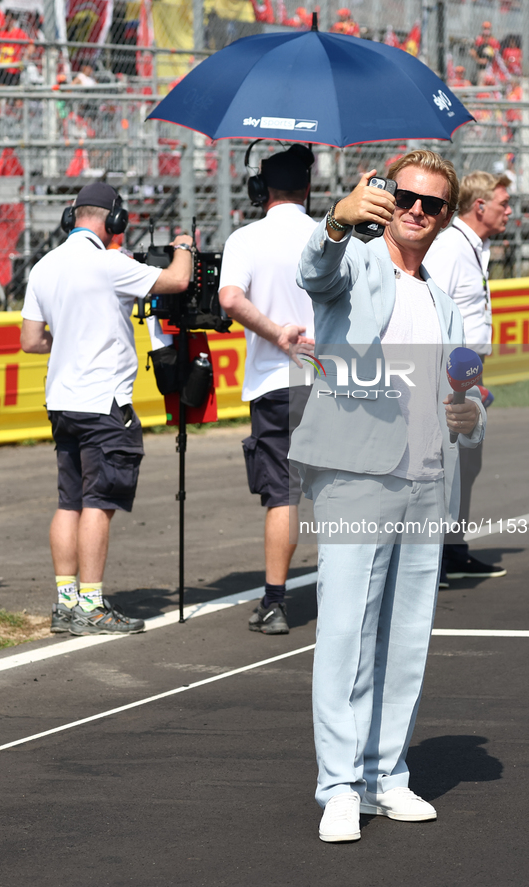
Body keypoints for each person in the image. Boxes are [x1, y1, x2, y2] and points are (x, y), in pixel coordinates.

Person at [289, 150, 485, 842]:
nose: (415, 210)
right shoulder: (357, 262)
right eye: (405, 196)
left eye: (431, 204)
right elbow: (313, 271)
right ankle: (338, 784)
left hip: (428, 475)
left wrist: (469, 415)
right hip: (354, 471)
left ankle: (384, 775)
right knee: (344, 628)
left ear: (442, 216)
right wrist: (337, 222)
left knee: (405, 634)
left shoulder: (440, 298)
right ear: (385, 196)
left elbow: (464, 390)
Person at [20, 182, 193, 636]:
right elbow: (177, 281)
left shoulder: (43, 266)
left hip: (62, 400)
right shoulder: (109, 262)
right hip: (104, 404)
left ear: (70, 215)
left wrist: (71, 340)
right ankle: (92, 603)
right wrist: (184, 248)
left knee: (69, 501)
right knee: (99, 501)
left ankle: (65, 602)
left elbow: (31, 341)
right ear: (115, 220)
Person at [219, 144, 316, 635]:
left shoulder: (246, 238)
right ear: (308, 188)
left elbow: (230, 299)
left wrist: (277, 331)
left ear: (260, 191)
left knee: (283, 495)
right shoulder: (329, 236)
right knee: (346, 492)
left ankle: (275, 603)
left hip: (277, 384)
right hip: (333, 379)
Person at [425, 170, 511, 585]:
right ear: (480, 207)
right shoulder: (451, 248)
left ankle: (453, 548)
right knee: (445, 464)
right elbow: (434, 314)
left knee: (466, 465)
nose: (509, 211)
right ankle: (433, 556)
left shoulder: (474, 246)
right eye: (502, 203)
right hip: (451, 372)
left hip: (467, 369)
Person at [0, 11, 31, 86]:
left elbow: (30, 46)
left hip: (13, 69)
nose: (7, 22)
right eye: (6, 19)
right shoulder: (2, 33)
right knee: (1, 88)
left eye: (9, 19)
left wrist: (25, 57)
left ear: (14, 20)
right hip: (2, 68)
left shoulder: (19, 33)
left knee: (14, 91)